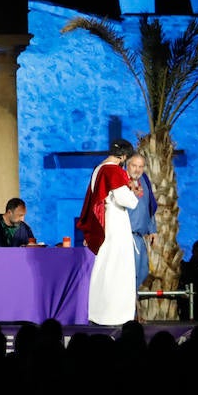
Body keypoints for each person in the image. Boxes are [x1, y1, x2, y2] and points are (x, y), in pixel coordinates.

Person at [78, 138, 139, 326]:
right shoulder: (113, 170)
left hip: (104, 224)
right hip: (115, 225)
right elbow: (125, 200)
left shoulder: (98, 169)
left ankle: (98, 312)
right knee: (118, 269)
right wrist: (134, 193)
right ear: (123, 156)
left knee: (104, 268)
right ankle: (116, 315)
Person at [124, 153, 157, 289]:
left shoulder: (144, 180)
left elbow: (149, 206)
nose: (137, 170)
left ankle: (131, 305)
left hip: (140, 237)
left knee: (143, 272)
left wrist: (152, 230)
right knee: (129, 276)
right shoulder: (121, 180)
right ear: (127, 165)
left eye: (141, 166)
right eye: (134, 166)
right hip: (126, 236)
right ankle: (127, 308)